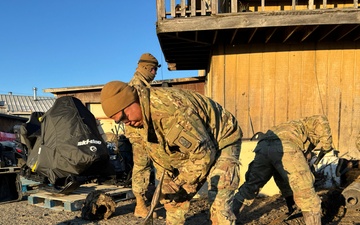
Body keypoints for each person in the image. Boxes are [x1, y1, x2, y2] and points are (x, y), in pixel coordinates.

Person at [100, 81, 243, 225]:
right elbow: (154, 154)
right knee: (171, 197)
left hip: (222, 138)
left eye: (124, 118)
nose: (126, 122)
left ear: (132, 101)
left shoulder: (171, 112)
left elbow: (204, 155)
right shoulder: (134, 122)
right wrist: (168, 187)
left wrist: (178, 182)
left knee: (219, 201)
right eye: (120, 122)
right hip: (193, 144)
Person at [233, 115, 334, 225]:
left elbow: (282, 177)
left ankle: (227, 218)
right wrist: (326, 147)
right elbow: (321, 120)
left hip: (263, 146)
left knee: (251, 185)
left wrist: (291, 202)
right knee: (306, 192)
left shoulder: (287, 126)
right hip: (286, 146)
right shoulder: (307, 122)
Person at [126, 53, 160, 218]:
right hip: (140, 135)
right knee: (141, 167)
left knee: (146, 167)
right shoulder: (136, 86)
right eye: (153, 69)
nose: (155, 73)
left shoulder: (142, 84)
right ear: (146, 68)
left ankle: (145, 202)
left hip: (145, 134)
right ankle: (140, 205)